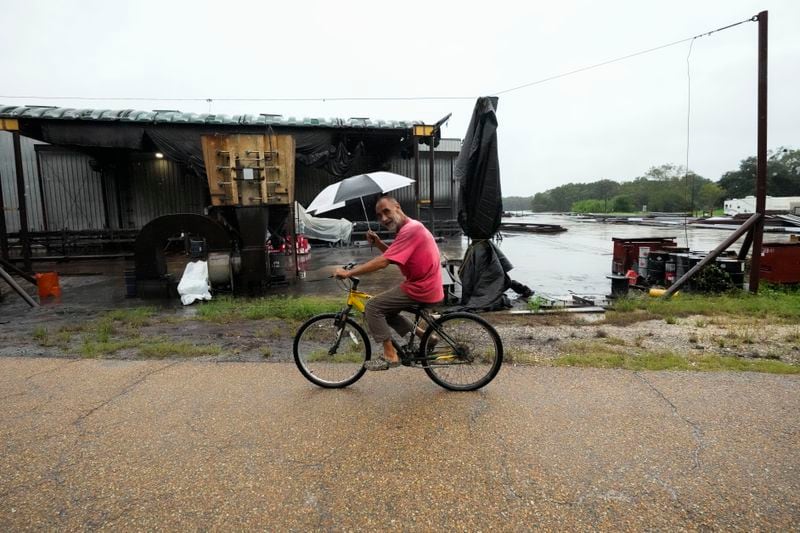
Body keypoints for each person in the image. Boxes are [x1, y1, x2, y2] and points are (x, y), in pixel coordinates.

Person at [333, 195, 443, 371]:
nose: (383, 218)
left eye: (386, 211)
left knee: (373, 307)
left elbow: (384, 262)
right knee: (388, 313)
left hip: (422, 287)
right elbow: (394, 256)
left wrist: (349, 272)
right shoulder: (410, 228)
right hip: (426, 285)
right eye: (379, 215)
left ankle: (390, 356)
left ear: (397, 207)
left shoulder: (410, 230)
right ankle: (428, 338)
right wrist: (378, 243)